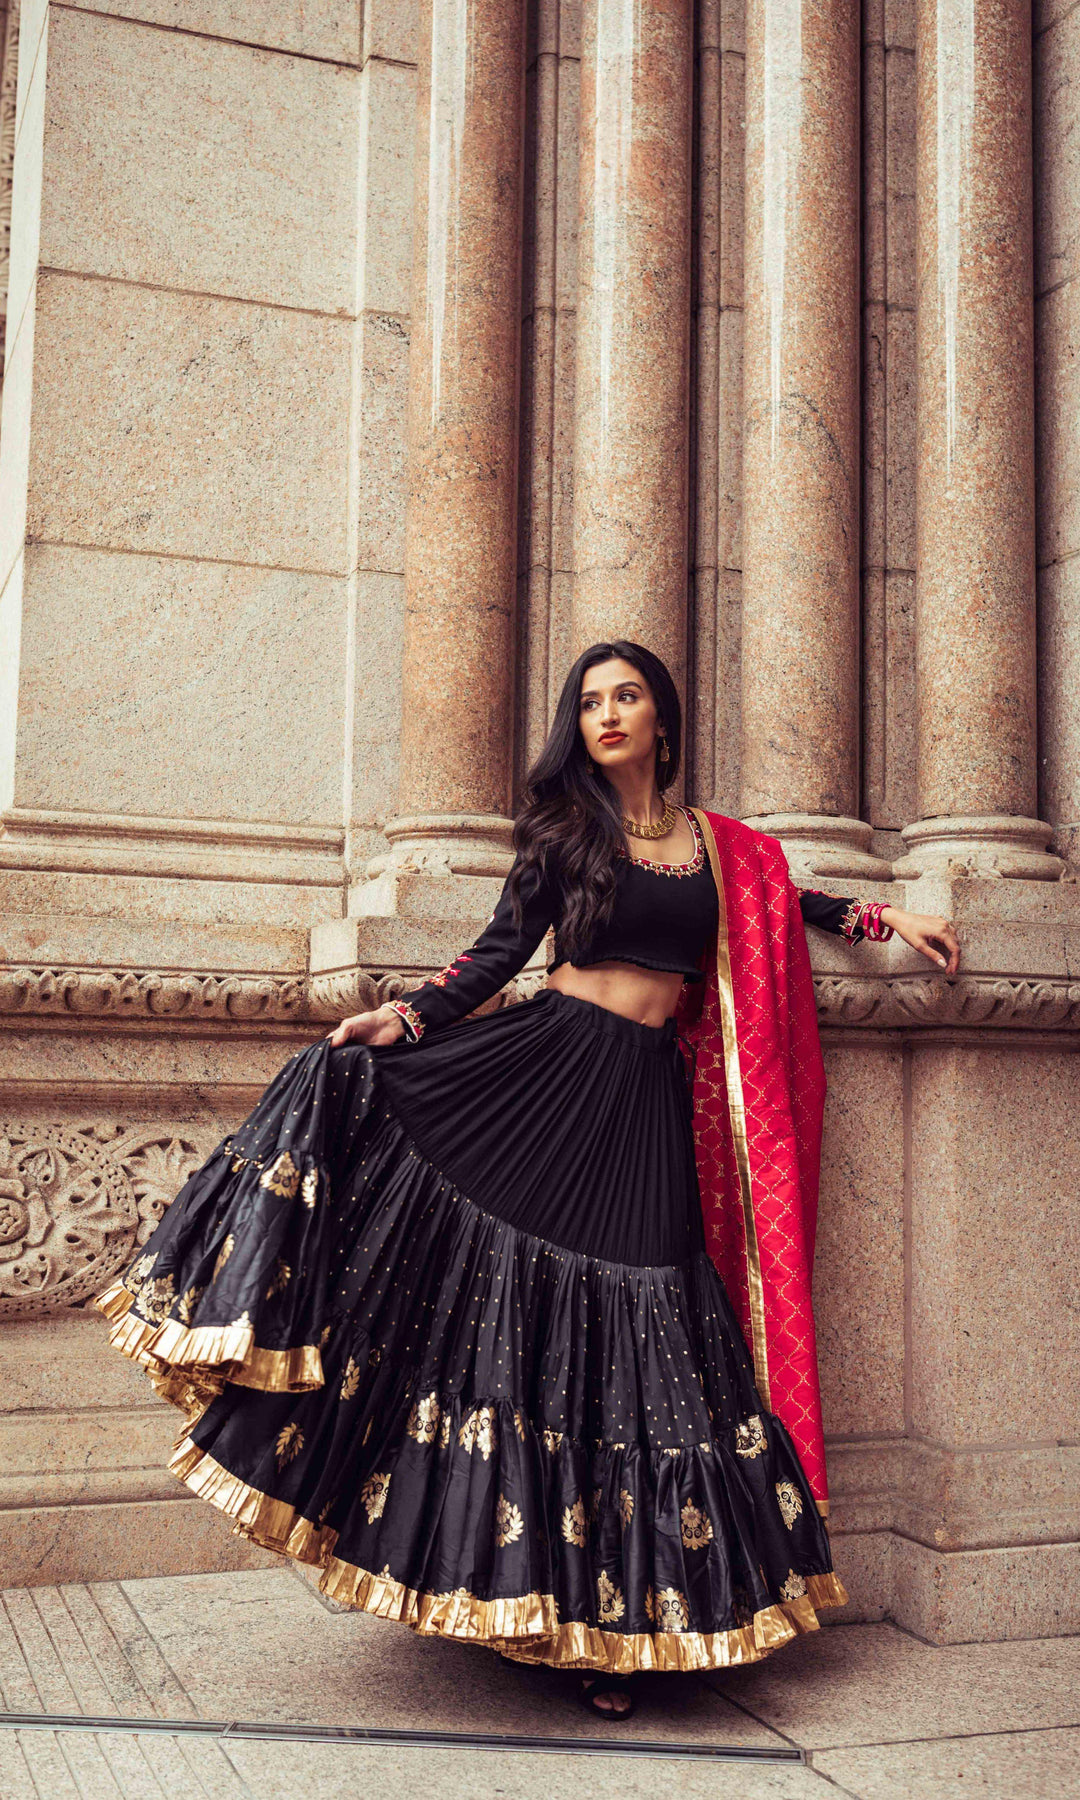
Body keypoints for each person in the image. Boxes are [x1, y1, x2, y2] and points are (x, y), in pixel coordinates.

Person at [94, 642, 960, 1722]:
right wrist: (404, 1019)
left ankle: (611, 1622)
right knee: (517, 1340)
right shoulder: (564, 836)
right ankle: (519, 1600)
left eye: (626, 696)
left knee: (640, 1343)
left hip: (644, 1104)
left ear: (661, 717)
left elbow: (790, 899)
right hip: (544, 1078)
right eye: (590, 700)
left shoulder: (724, 851)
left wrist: (888, 922)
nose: (607, 714)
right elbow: (495, 956)